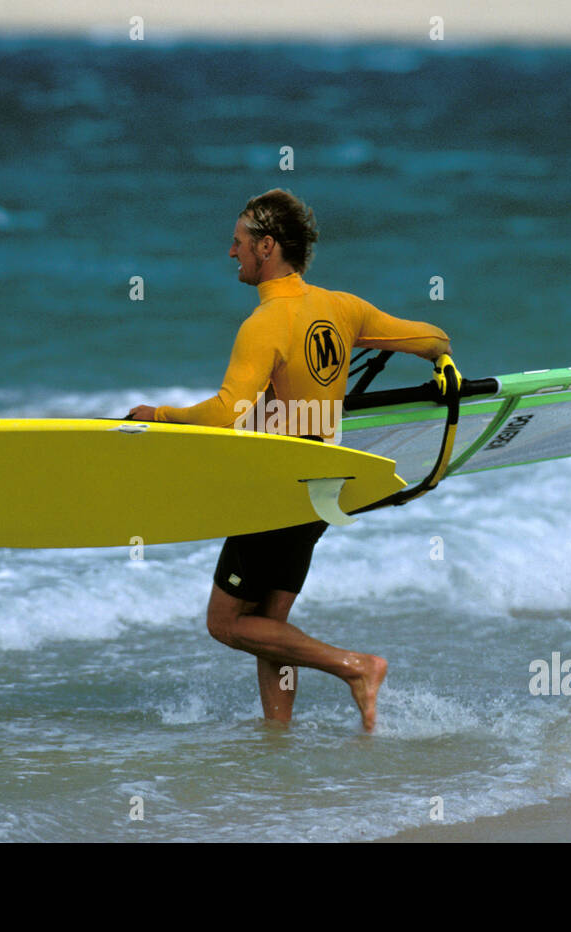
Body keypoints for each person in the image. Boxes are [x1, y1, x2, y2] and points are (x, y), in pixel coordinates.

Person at [129, 189, 450, 731]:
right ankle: (279, 736)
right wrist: (442, 359)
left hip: (276, 486)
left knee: (226, 623)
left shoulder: (266, 323)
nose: (231, 253)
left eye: (238, 243)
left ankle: (357, 668)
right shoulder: (342, 309)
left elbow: (229, 412)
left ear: (267, 246)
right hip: (321, 483)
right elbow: (432, 336)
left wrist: (159, 415)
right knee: (269, 624)